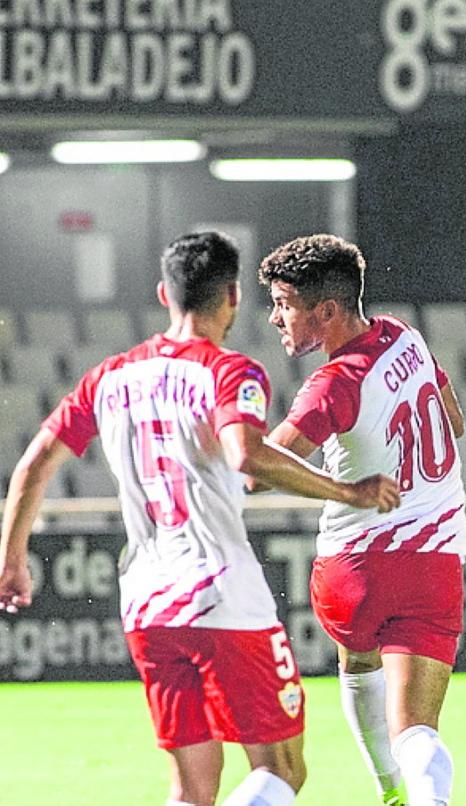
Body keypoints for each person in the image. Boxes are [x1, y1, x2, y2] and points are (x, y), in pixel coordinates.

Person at [0, 231, 401, 805]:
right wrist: (348, 492)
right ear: (233, 297)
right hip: (221, 596)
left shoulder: (108, 378)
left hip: (145, 603)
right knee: (282, 770)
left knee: (191, 789)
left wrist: (12, 561)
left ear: (166, 294)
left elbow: (34, 464)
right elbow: (248, 455)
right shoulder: (229, 372)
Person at [256, 234, 466, 806]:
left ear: (324, 311)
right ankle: (424, 798)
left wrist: (345, 487)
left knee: (358, 663)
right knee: (418, 729)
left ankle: (388, 792)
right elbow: (455, 422)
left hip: (351, 570)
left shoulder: (333, 384)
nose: (276, 318)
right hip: (431, 562)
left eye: (284, 303)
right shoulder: (405, 336)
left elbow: (260, 467)